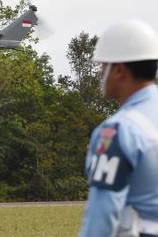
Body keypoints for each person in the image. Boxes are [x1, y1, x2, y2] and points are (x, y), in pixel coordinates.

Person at [79, 20, 158, 237]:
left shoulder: (118, 131)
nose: (100, 73)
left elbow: (101, 218)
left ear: (120, 70)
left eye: (104, 65)